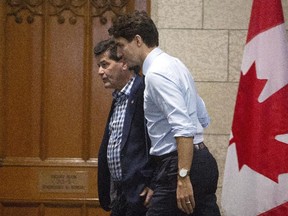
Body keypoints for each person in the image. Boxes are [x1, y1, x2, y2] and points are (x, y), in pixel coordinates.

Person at [108, 11, 221, 216]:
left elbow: (184, 128)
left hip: (178, 165)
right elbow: (202, 116)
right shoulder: (175, 64)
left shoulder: (156, 74)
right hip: (202, 159)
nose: (119, 53)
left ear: (138, 40)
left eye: (121, 45)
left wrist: (183, 176)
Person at [94, 39, 154, 216]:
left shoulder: (145, 91)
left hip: (142, 197)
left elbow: (161, 141)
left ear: (124, 63)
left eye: (105, 65)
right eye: (99, 65)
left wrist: (155, 182)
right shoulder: (119, 98)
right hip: (121, 196)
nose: (100, 72)